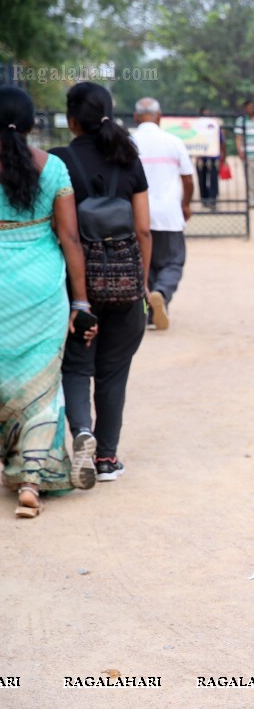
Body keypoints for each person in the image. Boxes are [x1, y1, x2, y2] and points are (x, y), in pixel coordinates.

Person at [0, 86, 97, 517]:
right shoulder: (53, 167)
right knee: (42, 388)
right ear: (31, 124)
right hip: (42, 289)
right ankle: (32, 481)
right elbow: (70, 238)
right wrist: (81, 302)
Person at [50, 82, 152, 484]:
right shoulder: (129, 159)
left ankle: (83, 434)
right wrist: (139, 283)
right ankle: (108, 458)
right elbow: (143, 230)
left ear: (72, 120)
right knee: (113, 372)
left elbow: (63, 230)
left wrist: (79, 296)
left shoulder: (60, 161)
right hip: (125, 284)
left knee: (77, 367)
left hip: (81, 289)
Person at [131, 97, 195, 331]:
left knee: (143, 265)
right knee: (172, 261)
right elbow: (187, 179)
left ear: (136, 117)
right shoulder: (173, 142)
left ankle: (148, 312)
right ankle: (162, 293)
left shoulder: (128, 142)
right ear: (160, 116)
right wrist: (186, 205)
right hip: (168, 214)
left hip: (137, 215)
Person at [196, 107, 225, 208]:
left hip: (214, 157)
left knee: (213, 179)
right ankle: (204, 199)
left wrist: (223, 156)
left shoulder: (215, 126)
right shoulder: (197, 127)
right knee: (202, 178)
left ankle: (212, 199)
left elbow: (221, 142)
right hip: (201, 157)